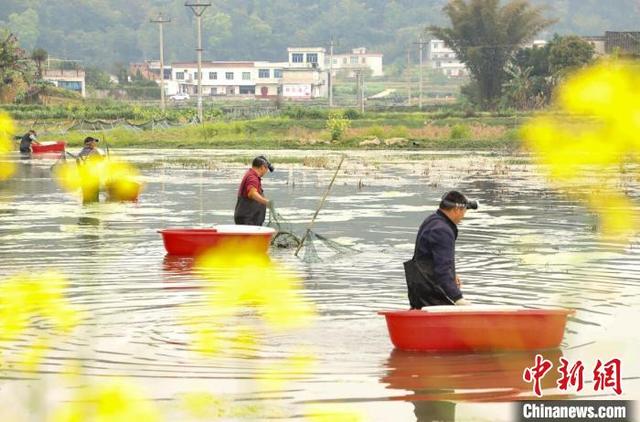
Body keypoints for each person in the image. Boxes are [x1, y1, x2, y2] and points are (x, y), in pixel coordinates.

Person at [405, 190, 478, 309]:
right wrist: (458, 299)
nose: (463, 216)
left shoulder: (433, 220)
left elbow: (435, 260)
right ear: (456, 210)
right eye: (465, 211)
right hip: (430, 292)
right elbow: (442, 270)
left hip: (420, 287)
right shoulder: (442, 230)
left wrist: (452, 274)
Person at [234, 155, 274, 226]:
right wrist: (266, 202)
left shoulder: (251, 175)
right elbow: (252, 193)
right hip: (248, 220)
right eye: (266, 169)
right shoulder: (252, 177)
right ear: (262, 167)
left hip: (249, 219)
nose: (266, 172)